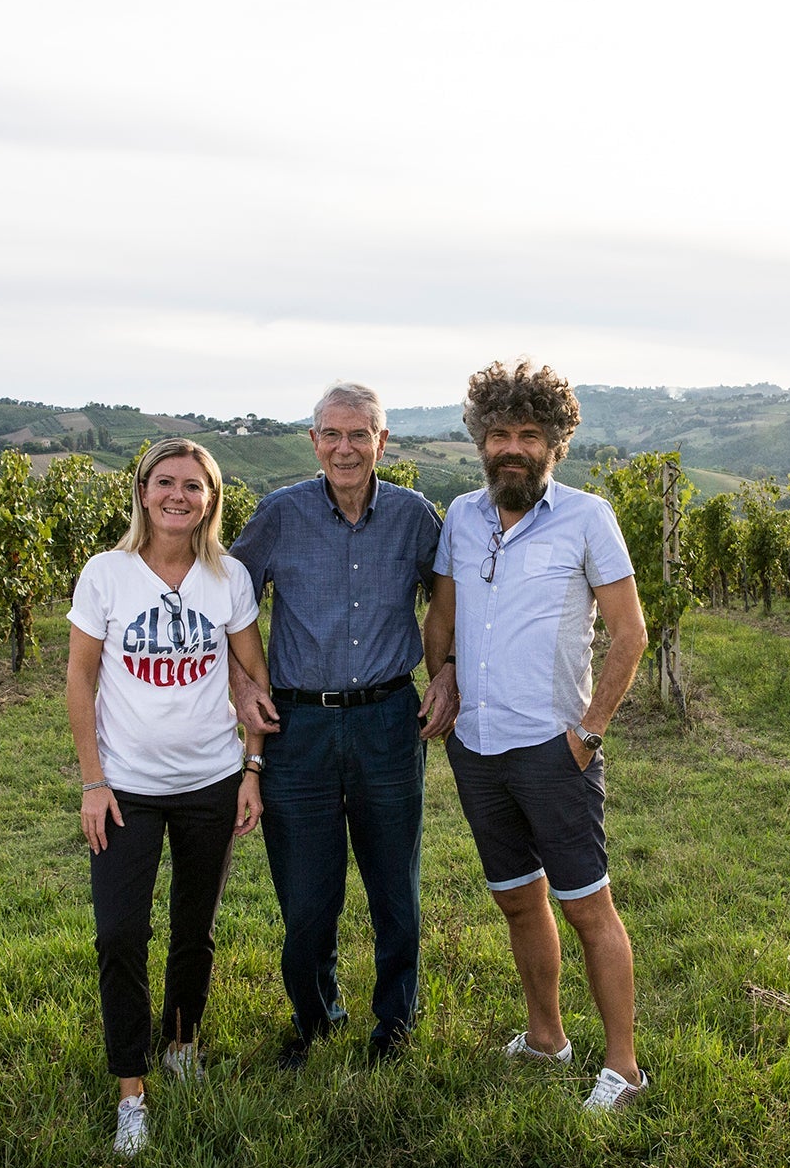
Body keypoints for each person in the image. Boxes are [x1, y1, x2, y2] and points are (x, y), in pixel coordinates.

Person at [421, 359, 653, 1111]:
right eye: (497, 434)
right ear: (480, 441)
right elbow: (443, 619)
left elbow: (629, 636)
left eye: (527, 434)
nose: (510, 447)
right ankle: (548, 1037)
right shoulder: (460, 517)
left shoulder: (589, 518)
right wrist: (446, 673)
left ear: (553, 442)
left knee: (588, 906)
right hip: (478, 751)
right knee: (519, 900)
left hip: (556, 751)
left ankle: (623, 1068)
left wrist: (586, 735)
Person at [228, 382, 451, 1067]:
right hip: (299, 727)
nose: (345, 448)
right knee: (306, 899)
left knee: (396, 891)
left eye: (360, 435)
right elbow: (224, 599)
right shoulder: (278, 515)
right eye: (332, 434)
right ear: (314, 441)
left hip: (389, 719)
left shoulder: (416, 516)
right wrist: (239, 682)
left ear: (383, 442)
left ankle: (396, 1026)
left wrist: (449, 673)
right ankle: (317, 1019)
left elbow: (452, 601)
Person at [65, 437, 271, 1157]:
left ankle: (181, 1043)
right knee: (119, 934)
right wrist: (93, 782)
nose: (177, 495)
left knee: (195, 928)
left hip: (211, 783)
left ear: (212, 499)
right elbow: (79, 681)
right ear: (142, 491)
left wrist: (252, 770)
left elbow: (254, 680)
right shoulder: (106, 574)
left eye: (194, 485)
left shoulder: (230, 578)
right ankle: (132, 1090)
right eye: (165, 482)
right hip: (126, 791)